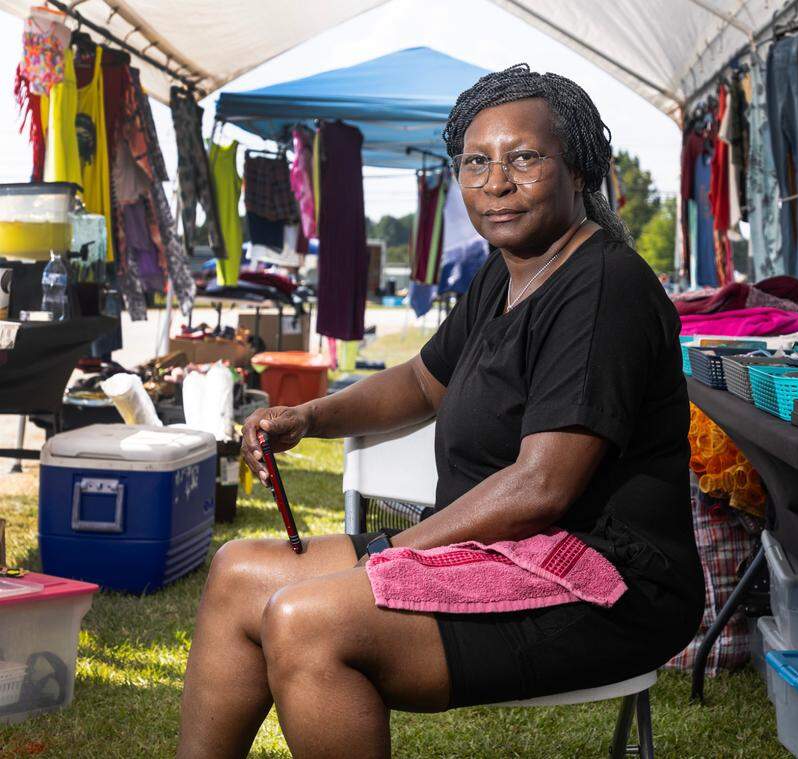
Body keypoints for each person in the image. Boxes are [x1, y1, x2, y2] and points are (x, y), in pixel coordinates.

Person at [176, 64, 703, 759]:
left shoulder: (603, 290)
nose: (496, 183)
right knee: (238, 572)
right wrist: (311, 417)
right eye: (476, 163)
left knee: (308, 621)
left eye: (524, 159)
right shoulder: (508, 271)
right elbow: (424, 382)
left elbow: (539, 488)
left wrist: (393, 554)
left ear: (581, 170)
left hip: (599, 582)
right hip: (502, 551)